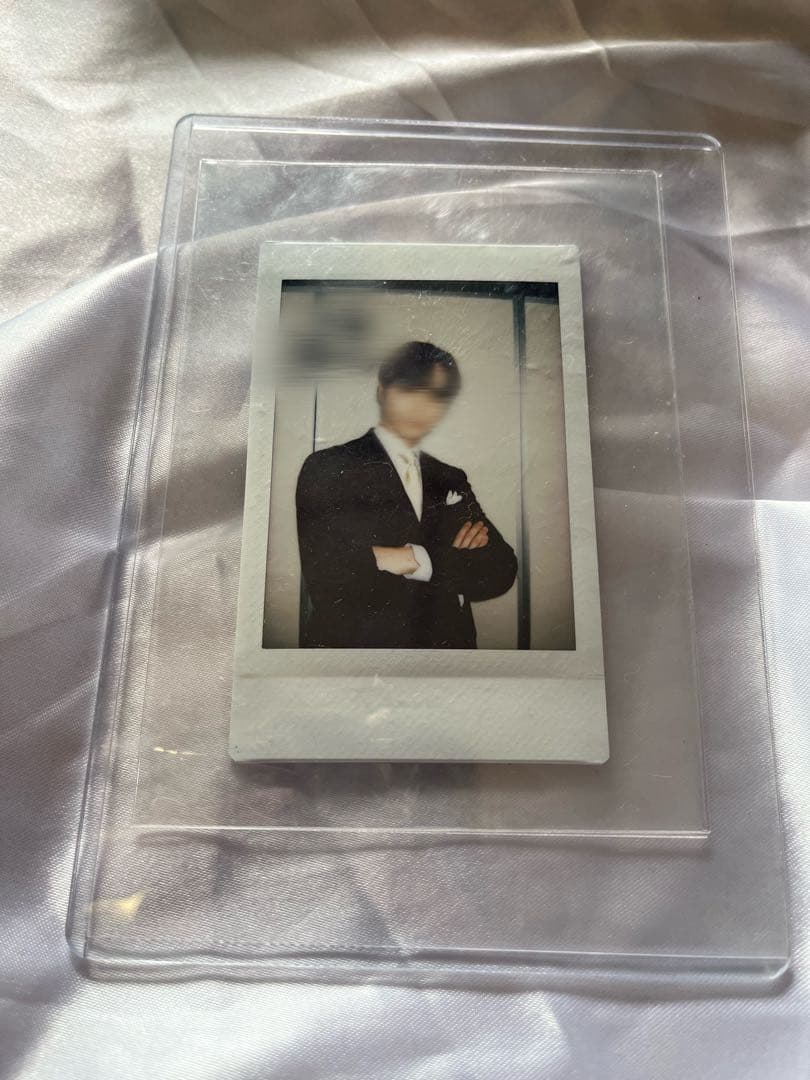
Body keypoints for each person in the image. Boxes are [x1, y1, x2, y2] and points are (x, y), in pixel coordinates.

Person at [295, 341, 518, 648]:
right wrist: (452, 561)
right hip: (360, 654)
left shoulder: (451, 477)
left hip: (449, 652)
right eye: (410, 388)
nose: (422, 405)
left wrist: (409, 559)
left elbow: (501, 570)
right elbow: (330, 577)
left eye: (436, 395)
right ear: (382, 390)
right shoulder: (329, 466)